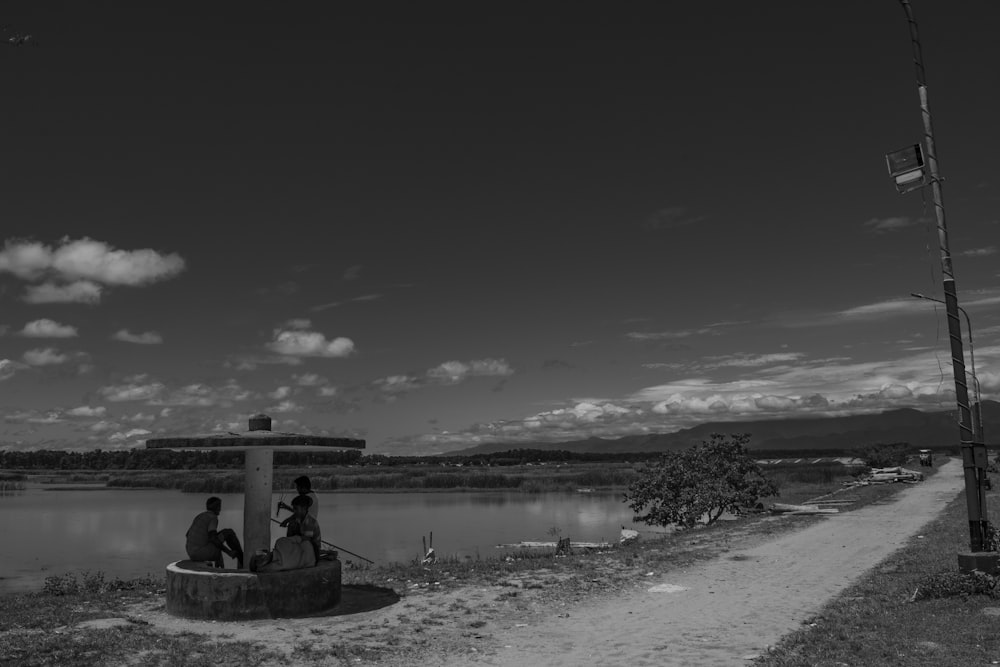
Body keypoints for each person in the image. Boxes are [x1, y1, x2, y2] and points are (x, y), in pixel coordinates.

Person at [185, 496, 244, 569]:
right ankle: (242, 559)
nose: (220, 509)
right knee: (228, 532)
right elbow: (213, 538)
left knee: (217, 538)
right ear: (217, 507)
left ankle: (222, 559)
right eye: (219, 506)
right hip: (200, 553)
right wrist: (229, 552)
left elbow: (187, 535)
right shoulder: (213, 518)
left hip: (191, 553)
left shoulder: (200, 516)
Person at [283, 494, 322, 562]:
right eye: (294, 509)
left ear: (304, 508)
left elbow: (306, 541)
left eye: (296, 509)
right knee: (291, 525)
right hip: (303, 547)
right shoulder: (299, 519)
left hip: (312, 551)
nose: (294, 511)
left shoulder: (309, 522)